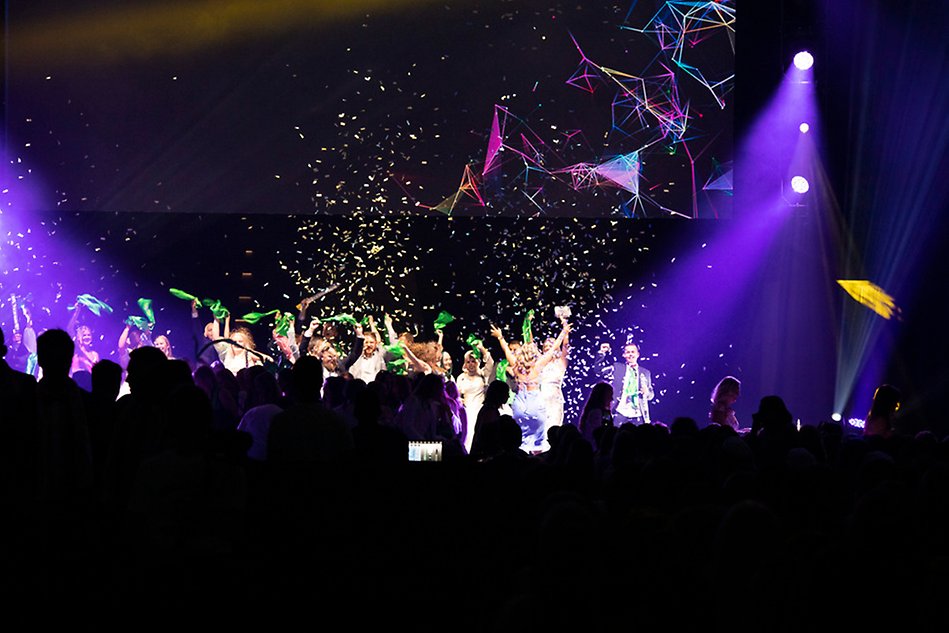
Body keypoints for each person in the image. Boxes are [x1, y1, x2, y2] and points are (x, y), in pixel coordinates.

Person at [490, 317, 570, 454]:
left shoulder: (515, 364)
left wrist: (500, 337)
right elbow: (554, 348)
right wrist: (564, 331)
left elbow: (506, 350)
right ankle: (537, 466)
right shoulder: (538, 366)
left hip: (520, 404)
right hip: (536, 405)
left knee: (518, 441)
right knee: (538, 444)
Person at [455, 342, 495, 454]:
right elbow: (456, 394)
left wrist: (482, 348)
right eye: (468, 362)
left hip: (480, 409)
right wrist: (459, 401)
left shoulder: (483, 374)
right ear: (465, 364)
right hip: (467, 411)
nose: (471, 364)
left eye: (473, 361)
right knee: (467, 435)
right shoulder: (461, 378)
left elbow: (490, 362)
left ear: (477, 362)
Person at [539, 314, 570, 447]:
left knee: (554, 428)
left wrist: (565, 329)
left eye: (551, 344)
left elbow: (566, 347)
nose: (548, 347)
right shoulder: (540, 363)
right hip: (540, 399)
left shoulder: (560, 363)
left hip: (555, 400)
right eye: (546, 346)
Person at [605, 342, 654, 426]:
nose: (630, 354)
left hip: (638, 415)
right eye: (628, 352)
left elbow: (651, 395)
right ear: (624, 355)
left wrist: (647, 392)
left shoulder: (645, 372)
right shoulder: (617, 367)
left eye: (633, 352)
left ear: (638, 354)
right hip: (619, 412)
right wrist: (601, 353)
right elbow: (598, 370)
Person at [578, 382, 613, 446]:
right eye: (610, 395)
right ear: (602, 396)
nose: (611, 399)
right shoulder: (597, 412)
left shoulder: (603, 412)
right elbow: (598, 432)